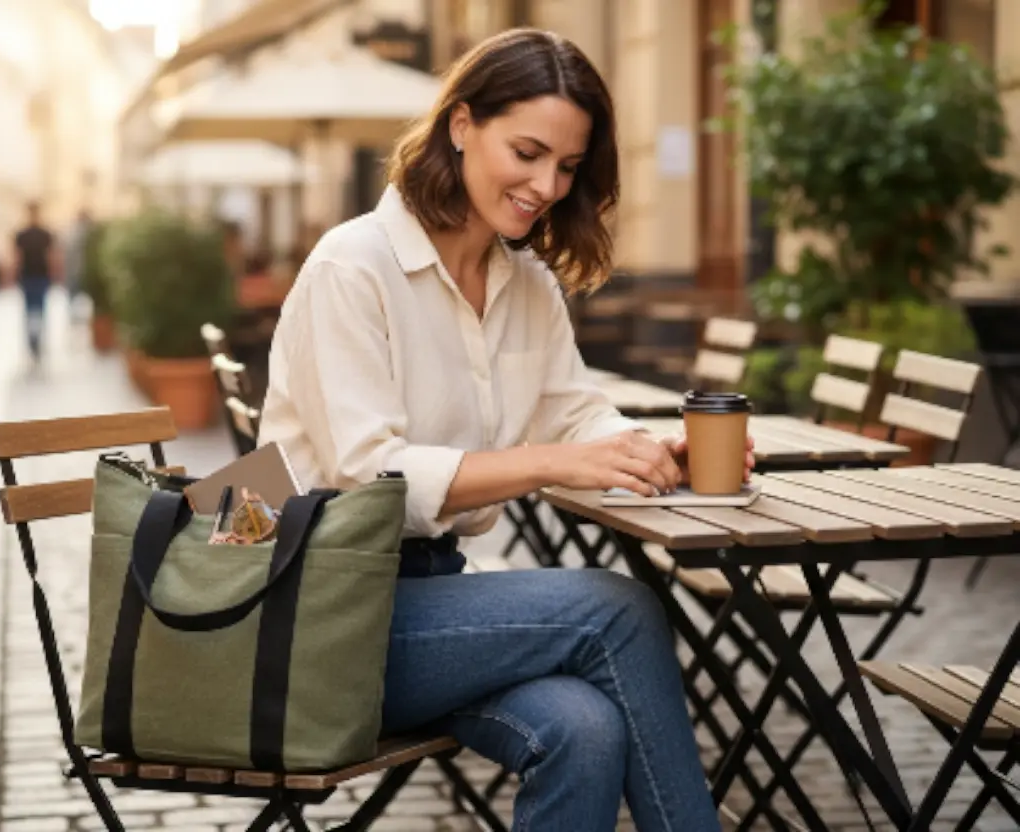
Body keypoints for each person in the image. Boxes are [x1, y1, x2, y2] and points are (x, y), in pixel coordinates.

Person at [259, 30, 753, 830]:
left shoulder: (524, 283)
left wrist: (647, 449)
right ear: (461, 125)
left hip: (433, 603)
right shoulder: (352, 268)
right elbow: (370, 477)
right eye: (526, 152)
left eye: (566, 166)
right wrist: (549, 461)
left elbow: (573, 410)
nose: (546, 185)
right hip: (324, 618)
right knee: (617, 606)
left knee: (585, 730)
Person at [11, 201, 58, 361]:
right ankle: (33, 341)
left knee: (36, 309)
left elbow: (50, 256)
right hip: (31, 277)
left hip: (37, 276)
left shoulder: (37, 234)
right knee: (33, 309)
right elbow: (18, 258)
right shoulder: (30, 234)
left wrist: (53, 273)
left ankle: (35, 340)